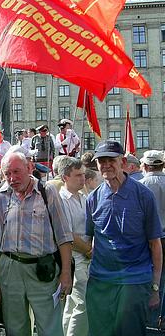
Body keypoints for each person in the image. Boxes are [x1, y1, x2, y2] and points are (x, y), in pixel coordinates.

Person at [0, 151, 73, 336]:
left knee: (50, 329)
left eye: (16, 172)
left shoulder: (47, 192)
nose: (12, 178)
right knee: (15, 328)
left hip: (43, 270)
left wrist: (66, 273)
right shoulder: (1, 197)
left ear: (29, 168)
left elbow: (64, 236)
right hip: (10, 270)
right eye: (7, 174)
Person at [85, 140, 162, 336]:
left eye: (111, 160)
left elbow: (155, 244)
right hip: (101, 282)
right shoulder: (92, 198)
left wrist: (154, 287)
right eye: (101, 161)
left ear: (123, 161)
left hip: (134, 281)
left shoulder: (143, 195)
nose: (106, 165)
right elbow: (92, 241)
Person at [59, 157, 91, 336]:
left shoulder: (84, 197)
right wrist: (89, 250)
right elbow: (67, 234)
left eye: (84, 175)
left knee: (72, 306)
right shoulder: (61, 200)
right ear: (65, 177)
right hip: (73, 260)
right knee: (83, 304)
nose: (83, 178)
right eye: (78, 175)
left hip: (84, 258)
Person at [139, 150, 165, 326]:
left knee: (148, 277)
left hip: (148, 239)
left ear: (145, 166)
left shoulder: (140, 185)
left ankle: (148, 318)